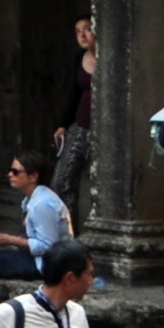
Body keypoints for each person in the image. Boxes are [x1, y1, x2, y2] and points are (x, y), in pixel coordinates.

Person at [0, 151, 74, 286]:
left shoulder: (43, 204)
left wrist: (9, 239)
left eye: (15, 172)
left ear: (33, 176)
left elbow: (48, 246)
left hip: (43, 264)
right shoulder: (31, 200)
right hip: (34, 259)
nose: (9, 175)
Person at [49, 17, 97, 214]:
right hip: (80, 124)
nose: (83, 35)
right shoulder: (80, 57)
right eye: (78, 31)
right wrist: (63, 125)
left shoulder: (112, 57)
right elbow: (74, 93)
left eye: (87, 29)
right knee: (61, 181)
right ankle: (69, 235)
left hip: (104, 129)